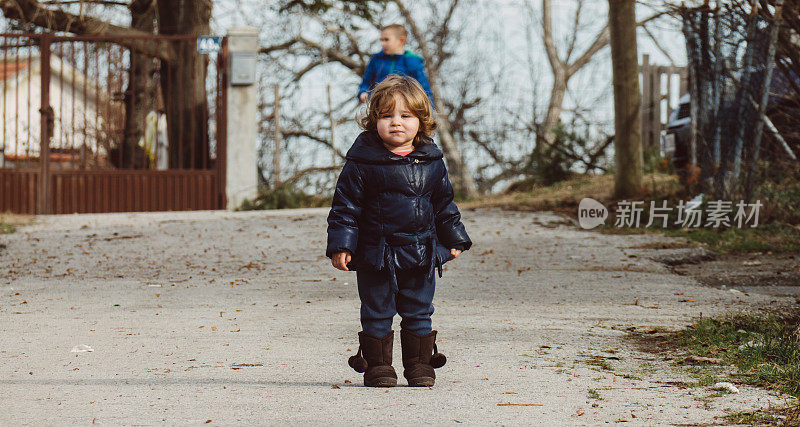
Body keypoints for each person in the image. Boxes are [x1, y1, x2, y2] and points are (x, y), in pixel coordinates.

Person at [327, 76, 471, 387]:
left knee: (419, 309)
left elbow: (444, 204)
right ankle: (378, 366)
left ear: (421, 121)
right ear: (373, 120)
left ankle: (420, 365)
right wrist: (342, 245)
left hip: (420, 253)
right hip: (375, 255)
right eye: (387, 116)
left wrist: (454, 238)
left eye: (406, 116)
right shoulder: (361, 162)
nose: (396, 123)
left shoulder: (431, 161)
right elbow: (345, 208)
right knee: (377, 309)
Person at [357, 24, 434, 105]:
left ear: (401, 41)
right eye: (381, 40)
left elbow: (424, 89)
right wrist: (363, 92)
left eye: (386, 40)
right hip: (379, 104)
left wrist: (429, 110)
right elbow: (366, 81)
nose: (383, 44)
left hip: (404, 105)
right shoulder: (377, 59)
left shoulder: (412, 61)